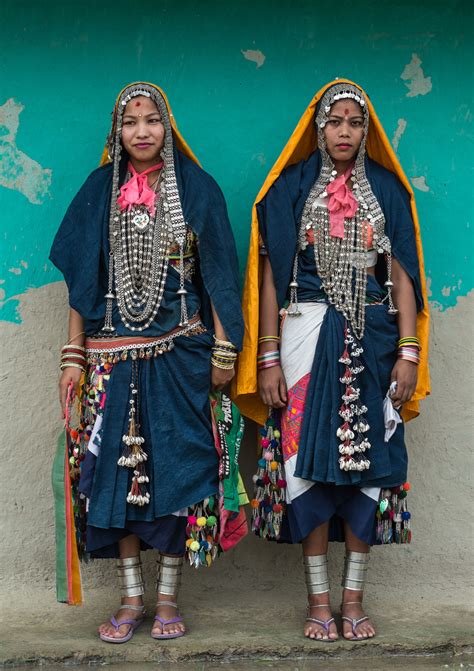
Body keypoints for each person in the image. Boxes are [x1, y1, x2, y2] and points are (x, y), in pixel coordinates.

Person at [234, 79, 430, 642]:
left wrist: (409, 353)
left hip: (375, 340)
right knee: (304, 464)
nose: (344, 131)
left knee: (370, 466)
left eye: (354, 122)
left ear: (366, 131)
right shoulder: (289, 189)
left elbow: (403, 276)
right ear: (317, 128)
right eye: (334, 121)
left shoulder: (390, 192)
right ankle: (319, 602)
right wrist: (267, 359)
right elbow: (272, 276)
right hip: (302, 339)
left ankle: (354, 599)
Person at [50, 82, 244, 643]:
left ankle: (167, 599)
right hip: (110, 362)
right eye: (130, 122)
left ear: (168, 125)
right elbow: (83, 288)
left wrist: (225, 350)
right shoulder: (98, 193)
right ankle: (130, 598)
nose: (141, 131)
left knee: (177, 478)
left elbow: (221, 281)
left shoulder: (197, 190)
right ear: (117, 132)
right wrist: (73, 358)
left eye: (152, 120)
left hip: (181, 358)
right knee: (113, 480)